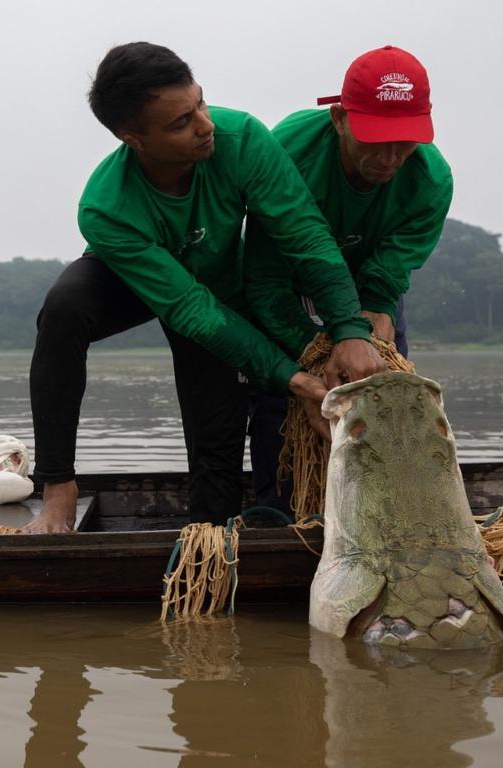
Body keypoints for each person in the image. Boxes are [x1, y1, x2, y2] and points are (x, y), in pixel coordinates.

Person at [26, 42, 386, 533]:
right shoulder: (105, 207)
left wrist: (348, 329)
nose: (204, 125)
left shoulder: (241, 138)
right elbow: (187, 309)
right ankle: (57, 486)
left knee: (215, 466)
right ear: (134, 138)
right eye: (180, 123)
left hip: (217, 290)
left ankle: (214, 552)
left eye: (200, 103)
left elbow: (303, 236)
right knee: (64, 308)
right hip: (140, 282)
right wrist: (293, 377)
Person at [245, 45, 453, 511]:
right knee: (283, 392)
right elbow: (265, 278)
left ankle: (385, 506)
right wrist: (315, 353)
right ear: (339, 119)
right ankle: (280, 510)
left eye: (405, 141)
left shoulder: (431, 181)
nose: (391, 158)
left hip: (367, 282)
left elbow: (389, 271)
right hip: (290, 279)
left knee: (380, 387)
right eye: (375, 139)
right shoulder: (286, 153)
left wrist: (370, 316)